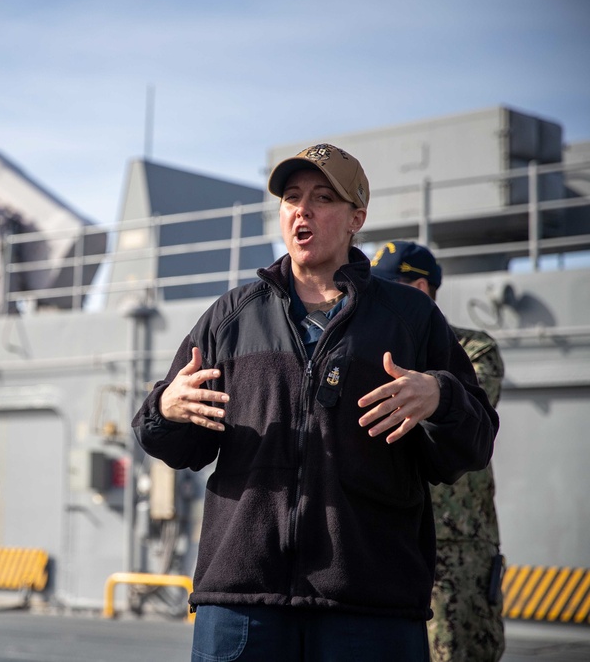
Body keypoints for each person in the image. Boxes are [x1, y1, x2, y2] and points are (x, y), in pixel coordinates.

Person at [132, 143, 499, 661]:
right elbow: (174, 442)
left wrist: (441, 396)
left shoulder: (409, 318)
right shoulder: (232, 317)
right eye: (292, 197)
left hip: (368, 604)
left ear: (357, 218)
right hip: (242, 601)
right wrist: (164, 408)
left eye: (323, 198)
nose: (302, 209)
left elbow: (473, 443)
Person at [370, 240, 506, 662]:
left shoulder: (474, 349)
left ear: (422, 289)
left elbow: (465, 415)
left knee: (456, 651)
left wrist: (433, 391)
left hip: (454, 542)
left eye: (391, 287)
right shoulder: (374, 348)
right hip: (389, 534)